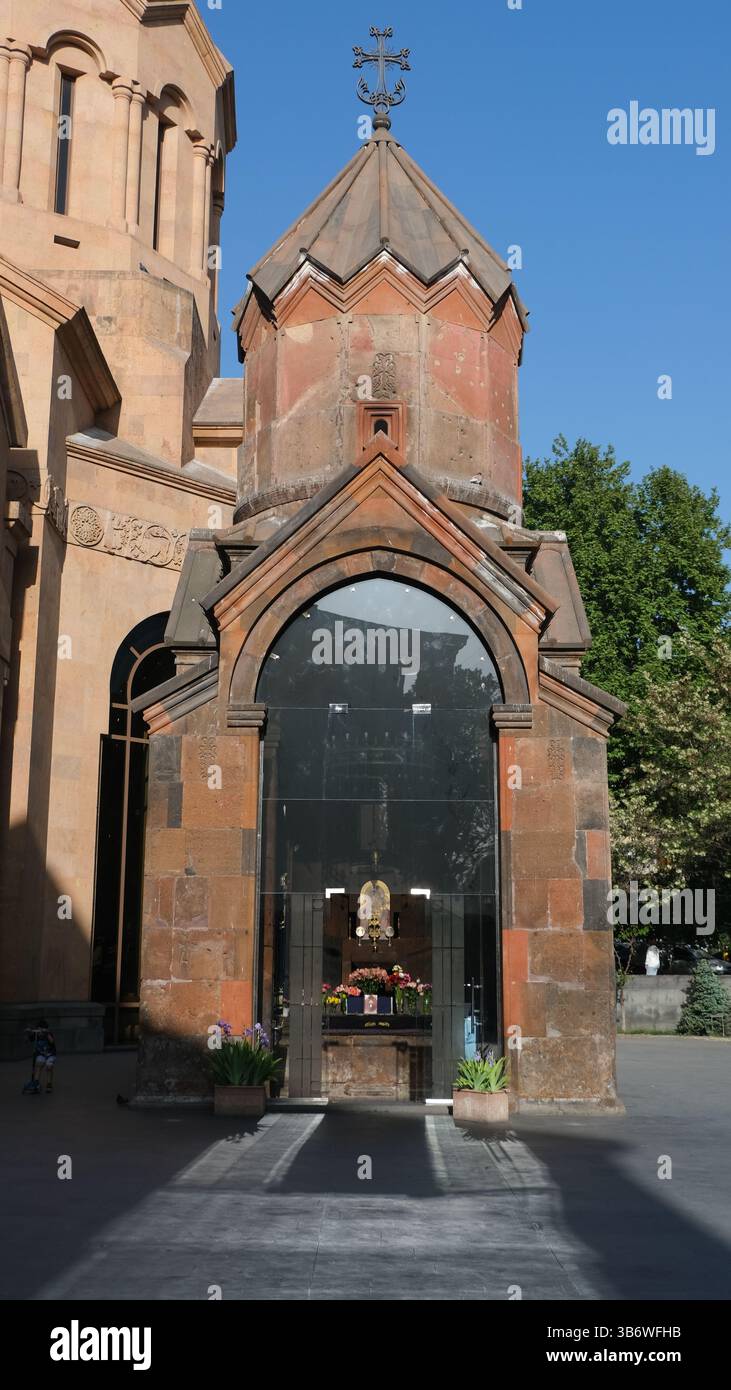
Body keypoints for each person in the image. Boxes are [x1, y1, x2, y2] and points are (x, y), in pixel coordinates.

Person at [30, 1018, 57, 1093]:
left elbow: (52, 1042)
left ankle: (49, 1084)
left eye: (42, 1030)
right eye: (39, 1030)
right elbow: (29, 1039)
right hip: (41, 1054)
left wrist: (47, 1033)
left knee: (49, 1066)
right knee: (39, 1064)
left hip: (50, 1054)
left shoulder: (48, 1034)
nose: (40, 1033)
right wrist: (30, 1032)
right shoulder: (36, 1035)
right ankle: (36, 1083)